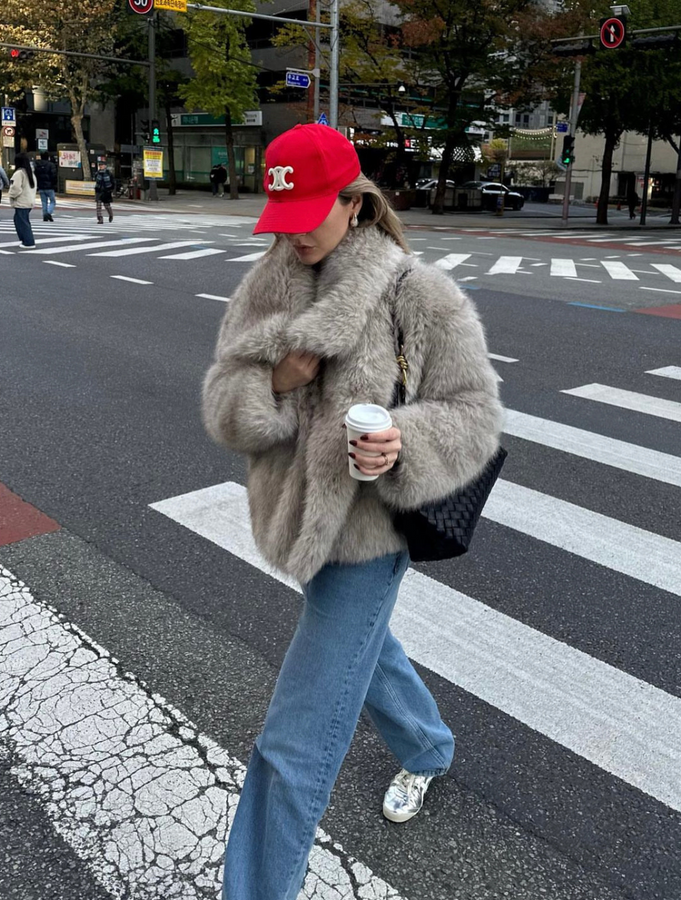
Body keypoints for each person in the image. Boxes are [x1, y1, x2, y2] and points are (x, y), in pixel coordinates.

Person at [203, 124, 503, 900]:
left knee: (291, 744)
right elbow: (223, 403)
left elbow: (474, 412)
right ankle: (429, 746)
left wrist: (405, 441)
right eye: (283, 216)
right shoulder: (266, 283)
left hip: (369, 529)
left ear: (354, 200)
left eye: (310, 211)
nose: (295, 232)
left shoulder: (415, 292)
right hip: (296, 518)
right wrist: (274, 385)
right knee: (367, 650)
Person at [8, 153, 37, 249]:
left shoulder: (19, 173)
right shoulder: (30, 173)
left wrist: (11, 195)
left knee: (22, 222)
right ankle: (25, 240)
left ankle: (28, 241)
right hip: (29, 200)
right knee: (21, 220)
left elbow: (16, 188)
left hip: (21, 201)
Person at [35, 151, 57, 222]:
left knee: (44, 201)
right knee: (52, 201)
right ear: (48, 157)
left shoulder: (37, 165)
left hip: (41, 186)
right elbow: (54, 175)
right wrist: (54, 184)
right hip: (50, 186)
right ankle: (48, 213)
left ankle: (45, 214)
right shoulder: (51, 165)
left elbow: (36, 176)